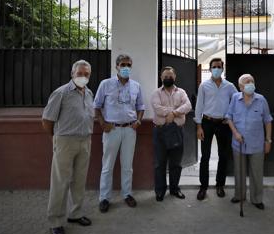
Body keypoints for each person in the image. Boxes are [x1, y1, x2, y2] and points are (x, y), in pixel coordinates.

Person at [42, 60, 94, 234]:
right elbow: (47, 120)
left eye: (86, 74)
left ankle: (76, 213)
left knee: (79, 180)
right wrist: (55, 139)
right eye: (80, 73)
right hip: (65, 141)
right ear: (72, 74)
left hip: (85, 141)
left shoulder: (89, 93)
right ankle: (55, 221)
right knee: (60, 182)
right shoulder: (61, 93)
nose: (83, 77)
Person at [94, 54, 145, 212]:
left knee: (127, 165)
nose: (126, 67)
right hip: (112, 130)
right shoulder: (105, 84)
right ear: (116, 66)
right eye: (123, 64)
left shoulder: (136, 86)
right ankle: (104, 198)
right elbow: (96, 106)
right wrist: (102, 123)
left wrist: (138, 121)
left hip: (130, 130)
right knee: (107, 166)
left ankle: (127, 194)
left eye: (128, 65)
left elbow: (141, 106)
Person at [226, 74, 273, 210]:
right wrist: (235, 133)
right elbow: (229, 117)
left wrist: (268, 140)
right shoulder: (235, 98)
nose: (250, 83)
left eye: (252, 81)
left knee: (257, 172)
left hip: (257, 143)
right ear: (240, 87)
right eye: (247, 82)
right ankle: (239, 195)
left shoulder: (261, 99)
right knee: (239, 171)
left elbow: (268, 120)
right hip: (238, 143)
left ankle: (257, 198)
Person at [194, 58, 238, 200]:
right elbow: (199, 106)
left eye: (219, 66)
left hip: (223, 124)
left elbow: (236, 102)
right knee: (205, 156)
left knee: (223, 156)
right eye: (214, 67)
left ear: (223, 68)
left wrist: (230, 118)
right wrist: (199, 126)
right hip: (207, 122)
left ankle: (220, 185)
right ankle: (203, 187)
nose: (216, 69)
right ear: (210, 68)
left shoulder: (230, 86)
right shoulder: (204, 86)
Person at [151, 66, 192, 201]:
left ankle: (175, 189)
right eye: (165, 76)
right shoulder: (156, 93)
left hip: (177, 131)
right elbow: (157, 108)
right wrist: (176, 111)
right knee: (160, 163)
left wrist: (173, 113)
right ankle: (160, 190)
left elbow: (188, 106)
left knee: (176, 163)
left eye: (170, 76)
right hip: (160, 131)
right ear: (161, 78)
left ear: (175, 77)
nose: (168, 78)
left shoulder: (181, 92)